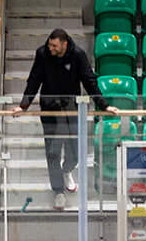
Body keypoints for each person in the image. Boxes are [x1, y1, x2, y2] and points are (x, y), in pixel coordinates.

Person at [17, 28, 112, 197]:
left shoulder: (78, 55)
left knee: (75, 151)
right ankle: (58, 191)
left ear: (64, 44)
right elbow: (34, 80)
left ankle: (67, 170)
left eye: (54, 46)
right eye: (49, 45)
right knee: (53, 152)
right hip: (49, 109)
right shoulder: (42, 54)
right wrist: (23, 105)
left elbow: (90, 82)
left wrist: (104, 106)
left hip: (72, 109)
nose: (51, 48)